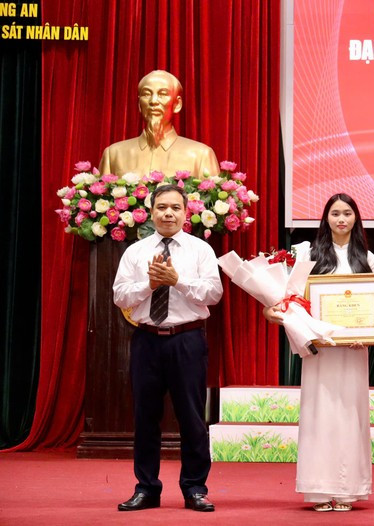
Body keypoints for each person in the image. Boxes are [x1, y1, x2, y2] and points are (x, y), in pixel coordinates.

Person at [113, 184, 223, 512]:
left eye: (175, 207)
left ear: (186, 212)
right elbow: (120, 296)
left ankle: (195, 488)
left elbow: (213, 294)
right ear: (151, 211)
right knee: (146, 417)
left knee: (191, 417)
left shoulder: (200, 250)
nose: (168, 214)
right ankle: (147, 488)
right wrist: (150, 284)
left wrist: (177, 281)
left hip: (187, 340)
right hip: (147, 340)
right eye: (161, 207)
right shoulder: (136, 251)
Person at [264, 193, 374, 512]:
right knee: (320, 412)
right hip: (321, 351)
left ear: (356, 218)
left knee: (350, 412)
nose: (341, 219)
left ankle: (347, 490)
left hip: (354, 351)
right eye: (335, 213)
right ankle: (318, 489)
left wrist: (365, 335)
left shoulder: (367, 259)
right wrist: (277, 313)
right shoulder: (309, 258)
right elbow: (292, 301)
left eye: (347, 213)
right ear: (325, 218)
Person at [99, 70, 220, 179]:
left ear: (177, 104)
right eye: (146, 94)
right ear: (139, 104)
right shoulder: (114, 154)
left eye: (163, 94)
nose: (153, 101)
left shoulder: (200, 155)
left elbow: (210, 201)